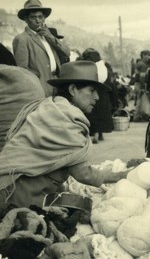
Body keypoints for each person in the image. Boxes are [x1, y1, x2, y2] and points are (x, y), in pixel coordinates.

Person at [0, 61, 129, 209]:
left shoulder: (50, 106)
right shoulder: (66, 117)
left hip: (7, 186)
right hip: (18, 194)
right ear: (73, 89)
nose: (97, 97)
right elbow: (83, 174)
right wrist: (120, 176)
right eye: (92, 90)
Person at [13, 0, 70, 96]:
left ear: (44, 18)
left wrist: (51, 37)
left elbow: (67, 53)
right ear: (26, 19)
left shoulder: (48, 36)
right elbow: (22, 72)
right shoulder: (22, 39)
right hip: (39, 89)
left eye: (40, 17)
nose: (38, 20)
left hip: (57, 86)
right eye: (33, 17)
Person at [79, 48, 114, 143]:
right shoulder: (104, 66)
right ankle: (100, 133)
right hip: (103, 92)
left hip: (92, 91)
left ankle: (94, 133)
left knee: (92, 113)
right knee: (101, 113)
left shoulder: (86, 65)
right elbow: (110, 82)